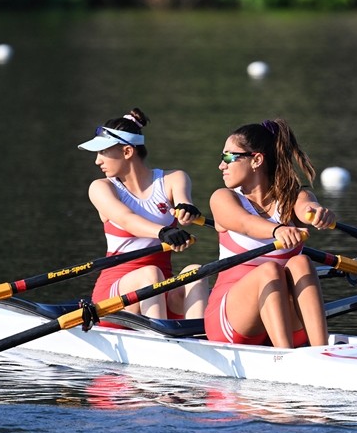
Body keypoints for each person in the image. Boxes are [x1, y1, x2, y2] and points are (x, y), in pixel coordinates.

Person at [205, 118, 335, 348]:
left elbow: (307, 209)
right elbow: (245, 224)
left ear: (256, 160)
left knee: (301, 263)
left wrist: (318, 214)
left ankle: (321, 351)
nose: (221, 165)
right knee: (270, 270)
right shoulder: (223, 198)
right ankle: (283, 358)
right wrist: (278, 230)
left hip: (284, 320)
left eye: (228, 157)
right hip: (232, 323)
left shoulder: (293, 198)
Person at [79, 108, 206, 324]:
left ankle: (204, 341)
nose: (97, 161)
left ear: (127, 152)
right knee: (150, 273)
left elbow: (184, 202)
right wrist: (163, 231)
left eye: (103, 152)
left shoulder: (173, 178)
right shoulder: (101, 188)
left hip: (160, 292)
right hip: (114, 298)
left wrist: (186, 211)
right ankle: (159, 342)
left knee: (196, 272)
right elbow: (127, 219)